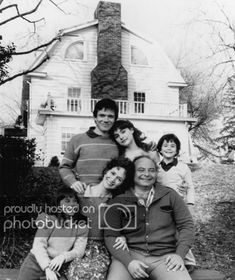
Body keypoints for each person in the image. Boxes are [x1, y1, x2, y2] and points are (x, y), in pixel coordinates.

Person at [104, 155, 194, 280]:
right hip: (130, 256)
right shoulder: (118, 200)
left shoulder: (170, 195)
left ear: (157, 173)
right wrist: (128, 262)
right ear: (132, 173)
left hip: (165, 258)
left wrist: (179, 255)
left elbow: (187, 225)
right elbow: (110, 235)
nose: (146, 174)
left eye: (151, 170)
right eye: (141, 170)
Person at [65, 157, 135, 280]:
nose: (113, 179)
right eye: (113, 173)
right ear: (106, 171)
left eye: (119, 179)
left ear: (122, 183)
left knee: (91, 274)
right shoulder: (81, 193)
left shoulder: (115, 203)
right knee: (74, 273)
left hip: (99, 250)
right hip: (75, 245)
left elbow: (121, 227)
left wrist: (122, 236)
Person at [17, 187, 88, 280]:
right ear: (58, 205)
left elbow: (79, 251)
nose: (72, 205)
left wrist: (63, 257)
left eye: (75, 201)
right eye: (67, 201)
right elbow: (38, 246)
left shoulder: (81, 224)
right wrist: (46, 267)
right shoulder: (49, 220)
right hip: (36, 262)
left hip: (58, 264)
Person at [59, 98, 119, 193]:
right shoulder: (77, 140)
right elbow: (64, 167)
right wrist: (73, 182)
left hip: (112, 200)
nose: (106, 120)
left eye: (110, 116)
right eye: (102, 115)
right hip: (85, 197)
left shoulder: (119, 142)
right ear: (95, 117)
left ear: (115, 119)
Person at [156, 133, 196, 271]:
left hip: (178, 204)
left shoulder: (183, 167)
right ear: (160, 149)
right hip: (161, 206)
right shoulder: (156, 167)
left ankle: (189, 260)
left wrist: (190, 204)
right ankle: (168, 256)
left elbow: (190, 187)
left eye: (172, 146)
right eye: (165, 145)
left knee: (181, 231)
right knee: (167, 231)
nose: (169, 148)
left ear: (177, 150)